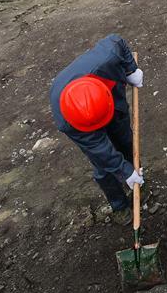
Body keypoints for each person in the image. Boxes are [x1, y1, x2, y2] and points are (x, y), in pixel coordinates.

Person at [50, 34, 145, 225]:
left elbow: (117, 40)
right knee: (104, 165)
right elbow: (101, 149)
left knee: (126, 141)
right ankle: (119, 204)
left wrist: (131, 69)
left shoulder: (106, 57)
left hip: (110, 103)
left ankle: (137, 181)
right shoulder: (67, 120)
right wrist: (122, 170)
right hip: (83, 123)